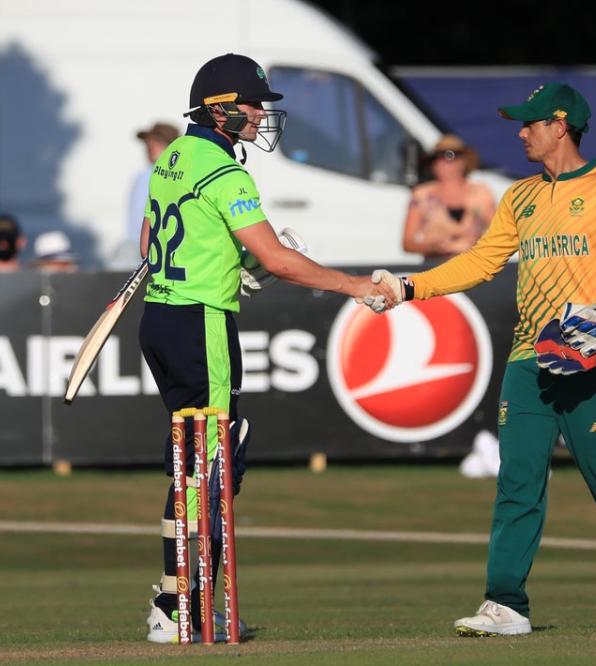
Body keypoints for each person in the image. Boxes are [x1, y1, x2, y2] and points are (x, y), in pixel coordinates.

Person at [372, 82, 596, 635]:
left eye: (531, 123)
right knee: (517, 481)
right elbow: (483, 261)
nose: (521, 131)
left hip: (592, 362)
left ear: (561, 125)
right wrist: (410, 288)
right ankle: (505, 603)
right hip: (528, 358)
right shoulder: (521, 196)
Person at [139, 53, 393, 644]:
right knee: (217, 461)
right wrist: (356, 286)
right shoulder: (226, 172)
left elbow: (152, 238)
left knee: (194, 461)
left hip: (162, 317)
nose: (260, 115)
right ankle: (185, 606)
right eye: (253, 105)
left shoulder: (173, 157)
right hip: (202, 321)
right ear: (222, 109)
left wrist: (238, 263)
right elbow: (278, 258)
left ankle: (177, 600)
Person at [402, 134, 496, 262]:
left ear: (463, 161)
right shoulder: (421, 195)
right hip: (436, 267)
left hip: (474, 267)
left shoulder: (481, 192)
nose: (442, 162)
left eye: (450, 156)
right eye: (436, 158)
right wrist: (434, 247)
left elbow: (497, 234)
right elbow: (408, 243)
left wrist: (476, 246)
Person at [128, 122, 181, 244]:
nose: (149, 146)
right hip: (144, 248)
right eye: (148, 143)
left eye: (156, 143)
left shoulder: (176, 175)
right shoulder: (144, 176)